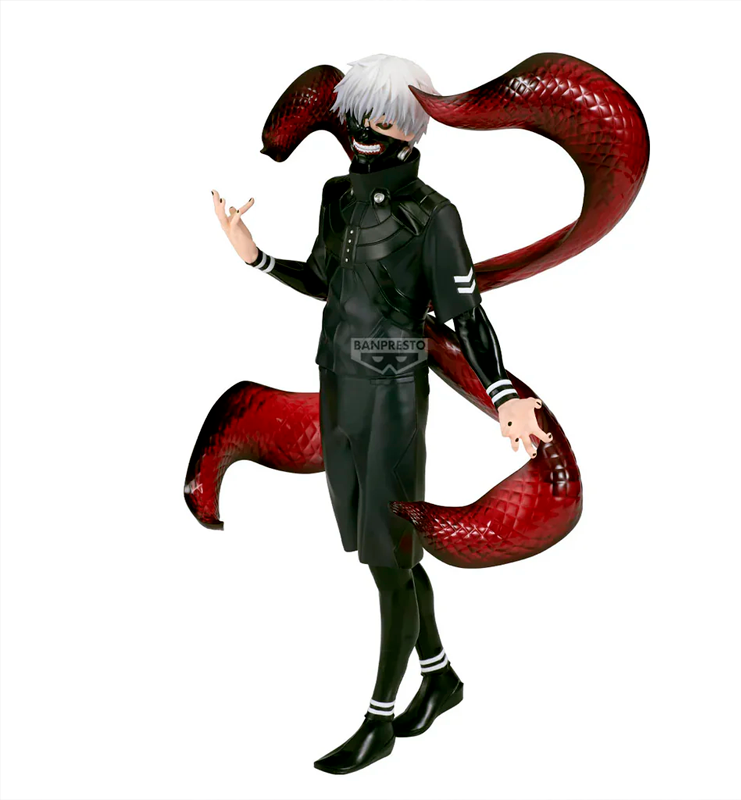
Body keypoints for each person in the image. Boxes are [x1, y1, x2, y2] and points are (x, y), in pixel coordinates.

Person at [211, 54, 551, 775]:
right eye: (364, 111)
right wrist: (257, 258)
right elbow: (324, 279)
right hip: (337, 382)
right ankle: (442, 679)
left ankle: (380, 720)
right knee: (387, 557)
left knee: (388, 556)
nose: (371, 126)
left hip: (394, 395)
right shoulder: (336, 196)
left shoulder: (435, 215)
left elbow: (466, 317)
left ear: (413, 128)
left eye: (388, 115)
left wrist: (502, 393)